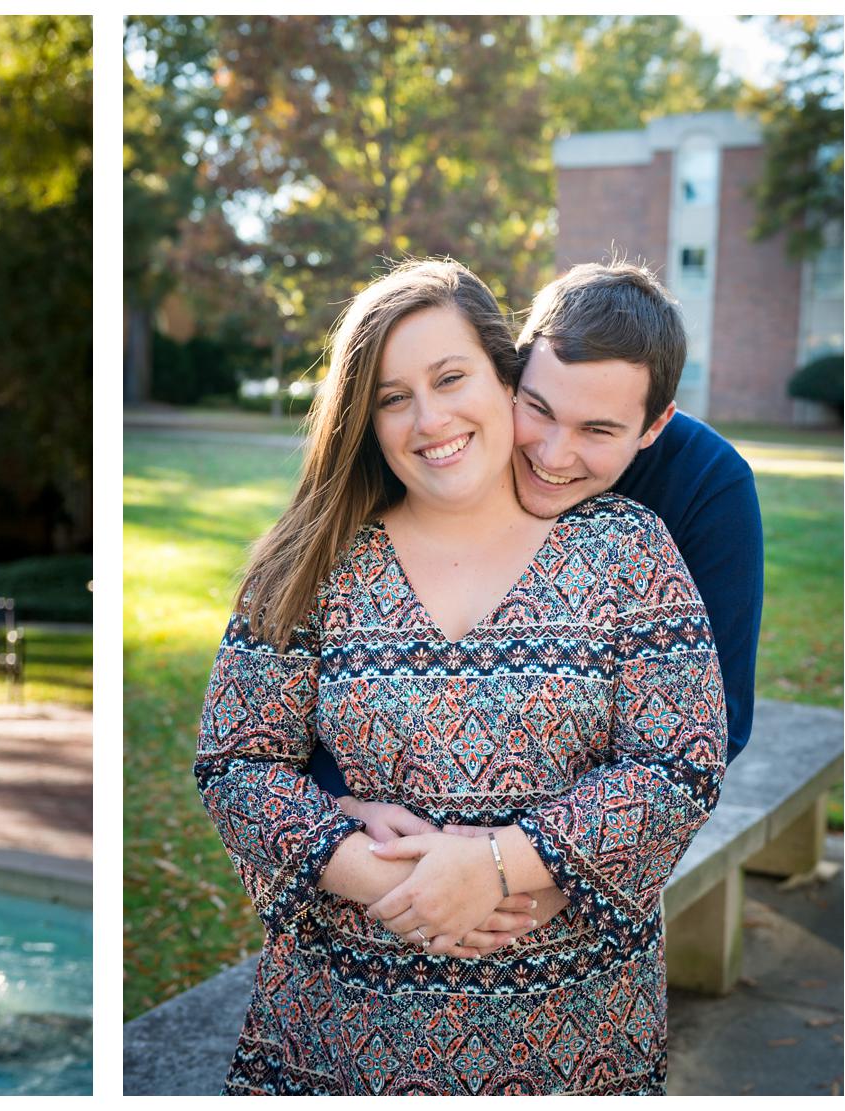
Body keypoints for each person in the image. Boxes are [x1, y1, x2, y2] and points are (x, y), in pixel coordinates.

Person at [196, 258, 725, 1094]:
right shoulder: (312, 563)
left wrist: (501, 865)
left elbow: (680, 765)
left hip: (573, 1028)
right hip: (345, 1025)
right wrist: (388, 883)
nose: (429, 417)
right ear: (364, 418)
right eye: (392, 396)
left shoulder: (630, 550)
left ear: (501, 373)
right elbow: (234, 764)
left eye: (450, 377)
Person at [323, 260, 762, 952]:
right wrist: (342, 808)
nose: (553, 455)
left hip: (569, 899)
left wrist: (551, 867)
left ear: (654, 426)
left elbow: (710, 723)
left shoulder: (706, 487)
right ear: (514, 373)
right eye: (539, 409)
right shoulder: (448, 446)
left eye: (598, 431)